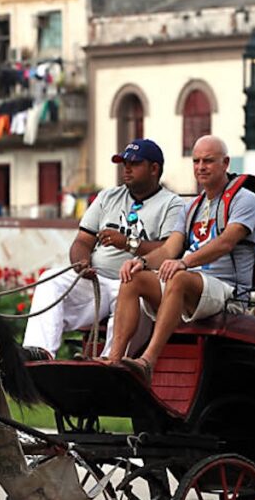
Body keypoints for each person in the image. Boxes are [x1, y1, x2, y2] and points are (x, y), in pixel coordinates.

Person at [105, 135, 255, 382]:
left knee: (178, 278)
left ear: (225, 163)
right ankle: (113, 360)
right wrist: (141, 262)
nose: (201, 167)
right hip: (191, 286)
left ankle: (147, 361)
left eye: (208, 161)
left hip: (228, 291)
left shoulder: (245, 199)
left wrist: (184, 262)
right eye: (196, 161)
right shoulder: (192, 207)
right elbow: (169, 249)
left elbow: (226, 242)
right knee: (133, 278)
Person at [22, 138, 187, 359]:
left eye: (134, 163)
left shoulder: (172, 204)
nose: (126, 169)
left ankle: (108, 364)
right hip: (97, 280)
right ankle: (39, 354)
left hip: (135, 283)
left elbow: (169, 249)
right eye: (124, 163)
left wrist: (127, 243)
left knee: (137, 300)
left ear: (154, 168)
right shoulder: (108, 196)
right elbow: (82, 241)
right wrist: (81, 262)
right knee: (49, 280)